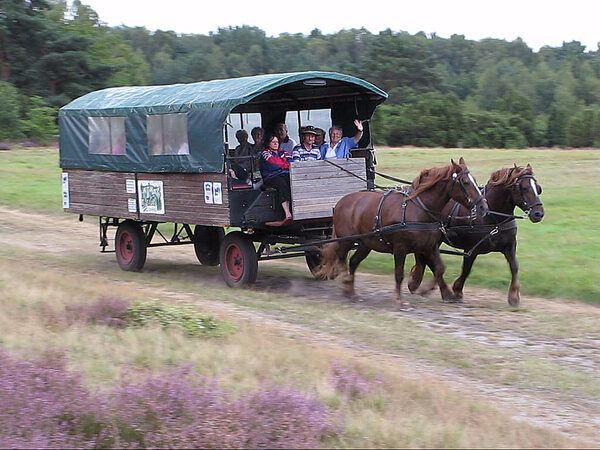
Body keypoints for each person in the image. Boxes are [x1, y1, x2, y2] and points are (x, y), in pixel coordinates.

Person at [259, 133, 293, 225]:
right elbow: (273, 164)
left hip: (284, 174)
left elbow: (291, 163)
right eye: (273, 142)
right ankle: (287, 213)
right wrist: (284, 164)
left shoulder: (283, 152)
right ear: (268, 143)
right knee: (281, 183)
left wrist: (283, 165)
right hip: (271, 177)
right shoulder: (265, 153)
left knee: (293, 182)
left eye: (277, 142)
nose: (275, 144)